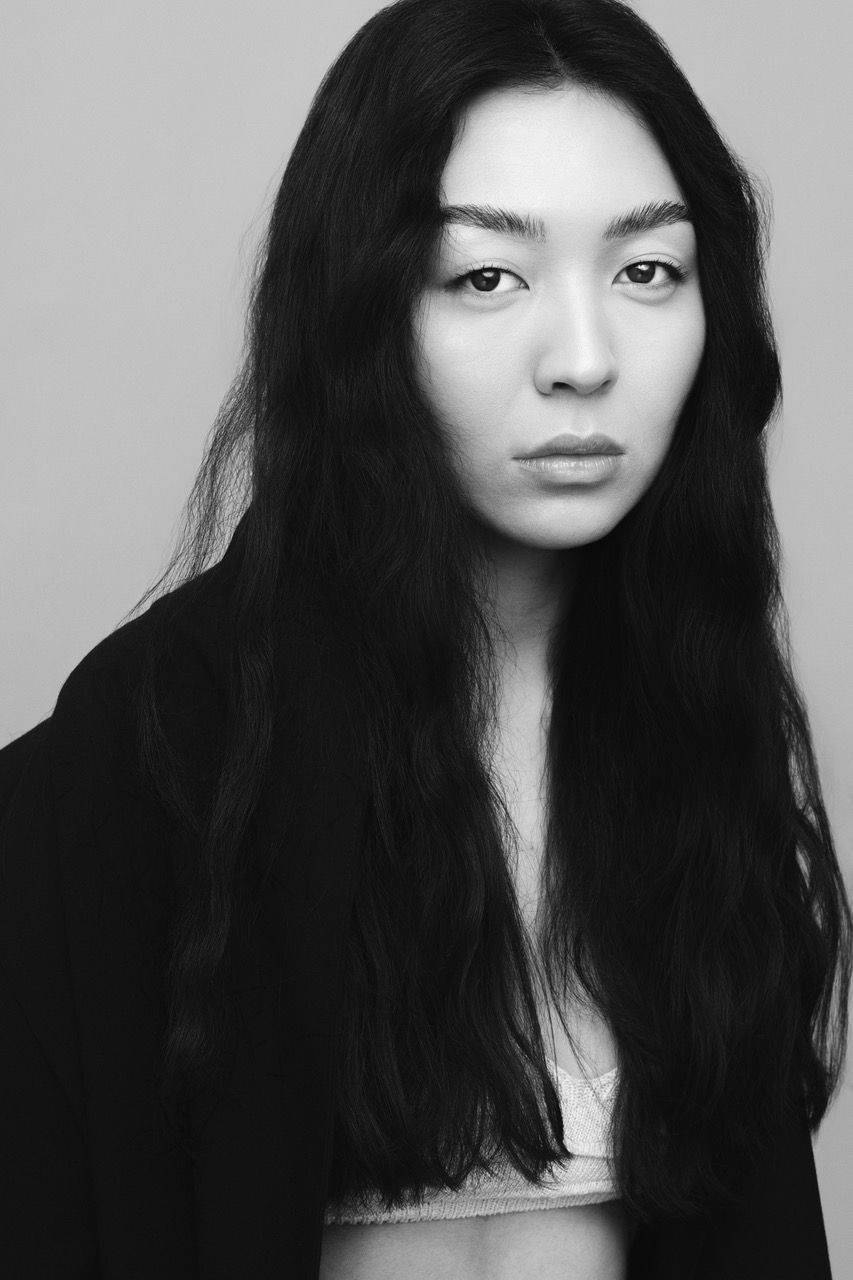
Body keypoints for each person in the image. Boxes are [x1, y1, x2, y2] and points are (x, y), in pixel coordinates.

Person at [1, 0, 850, 1276]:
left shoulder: (695, 722)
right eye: (486, 277)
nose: (583, 358)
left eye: (645, 271)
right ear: (362, 311)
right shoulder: (150, 745)